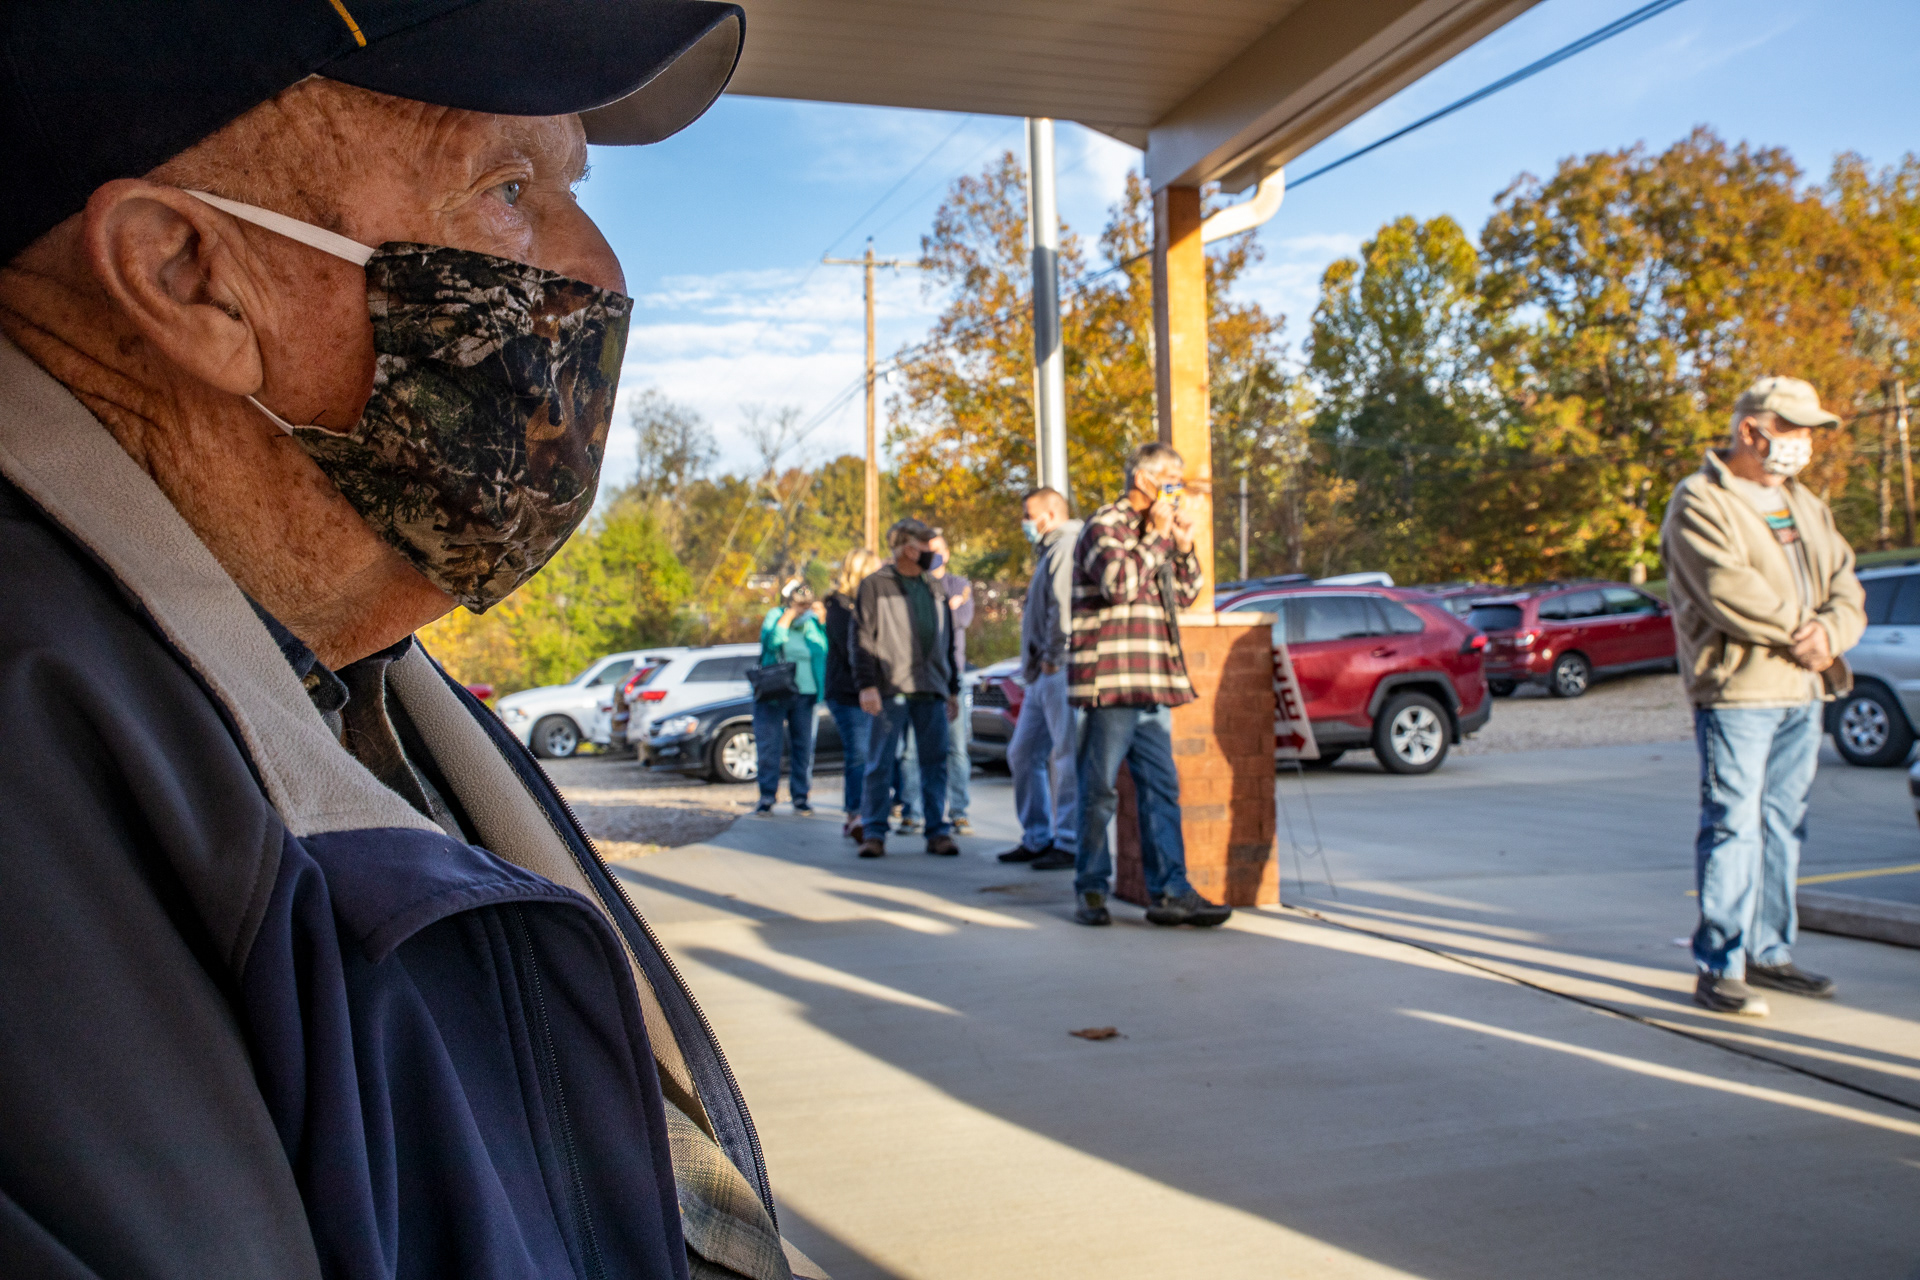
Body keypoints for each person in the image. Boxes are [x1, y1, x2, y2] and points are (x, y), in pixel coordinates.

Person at [0, 7, 829, 1278]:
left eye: (571, 186)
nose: (600, 269)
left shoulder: (361, 675)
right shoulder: (43, 792)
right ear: (186, 275)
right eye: (509, 188)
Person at [1662, 376, 1866, 1017]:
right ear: (1753, 430)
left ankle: (1769, 955)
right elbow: (1728, 589)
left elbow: (1847, 585)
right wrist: (1806, 635)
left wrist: (1831, 633)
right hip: (1739, 693)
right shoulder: (1699, 500)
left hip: (1802, 691)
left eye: (1810, 432)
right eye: (1795, 429)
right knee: (1733, 828)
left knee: (1783, 827)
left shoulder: (1806, 504)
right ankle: (1719, 963)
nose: (1805, 443)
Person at [1069, 443, 1233, 929]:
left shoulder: (1155, 532)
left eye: (1180, 482)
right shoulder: (1104, 526)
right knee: (1099, 790)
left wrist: (1182, 546)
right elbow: (1119, 584)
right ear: (1142, 479)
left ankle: (1171, 892)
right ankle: (1092, 890)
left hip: (1153, 680)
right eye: (1169, 480)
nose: (1175, 491)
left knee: (1162, 788)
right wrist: (1159, 537)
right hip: (1111, 680)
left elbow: (1184, 593)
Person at [853, 517, 962, 858]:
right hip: (890, 689)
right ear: (909, 549)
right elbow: (860, 639)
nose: (934, 552)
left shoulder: (935, 587)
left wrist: (953, 688)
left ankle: (937, 831)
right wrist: (867, 685)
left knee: (935, 762)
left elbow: (947, 641)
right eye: (927, 545)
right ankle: (874, 832)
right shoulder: (875, 585)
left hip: (931, 688)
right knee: (880, 763)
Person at [1000, 488, 1083, 869]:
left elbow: (1061, 608)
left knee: (1065, 755)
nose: (1025, 522)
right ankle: (1037, 836)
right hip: (1039, 673)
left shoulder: (1066, 546)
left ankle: (1069, 841)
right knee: (1023, 753)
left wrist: (1053, 656)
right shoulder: (1048, 550)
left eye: (1029, 514)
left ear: (1050, 513)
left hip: (1057, 669)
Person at [898, 530, 977, 831]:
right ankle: (912, 811)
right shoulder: (914, 585)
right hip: (917, 679)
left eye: (938, 550)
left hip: (950, 676)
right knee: (911, 751)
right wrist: (948, 607)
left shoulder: (959, 585)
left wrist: (952, 608)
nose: (933, 556)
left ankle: (958, 810)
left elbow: (960, 620)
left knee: (956, 749)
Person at [753, 579, 828, 815]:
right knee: (769, 746)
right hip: (775, 693)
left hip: (805, 694)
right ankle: (767, 796)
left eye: (806, 604)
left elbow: (825, 650)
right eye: (799, 604)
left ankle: (800, 795)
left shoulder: (813, 623)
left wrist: (822, 620)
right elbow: (771, 643)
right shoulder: (776, 615)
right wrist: (788, 618)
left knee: (804, 747)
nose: (803, 608)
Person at [826, 548, 883, 840]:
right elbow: (853, 649)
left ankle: (868, 810)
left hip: (868, 689)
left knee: (871, 753)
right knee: (859, 753)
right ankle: (855, 813)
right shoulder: (839, 606)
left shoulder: (869, 604)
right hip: (847, 692)